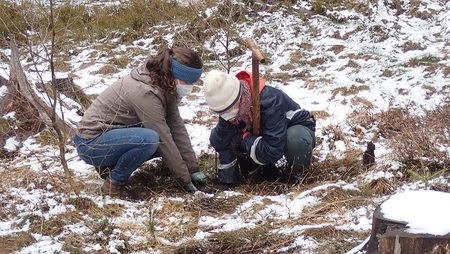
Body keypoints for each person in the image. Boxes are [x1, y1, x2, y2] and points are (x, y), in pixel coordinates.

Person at [73, 47, 209, 197]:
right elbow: (164, 139)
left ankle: (109, 166)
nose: (189, 87)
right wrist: (185, 180)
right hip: (91, 144)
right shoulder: (145, 91)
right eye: (187, 82)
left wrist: (193, 169)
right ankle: (114, 183)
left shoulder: (165, 87)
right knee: (150, 140)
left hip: (112, 136)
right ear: (174, 75)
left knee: (164, 141)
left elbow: (177, 128)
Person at [203, 70, 316, 186]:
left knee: (295, 139)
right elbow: (222, 141)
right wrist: (226, 181)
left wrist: (244, 139)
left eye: (229, 109)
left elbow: (273, 150)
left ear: (238, 98)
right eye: (221, 112)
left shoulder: (270, 102)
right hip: (266, 138)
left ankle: (298, 177)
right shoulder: (228, 112)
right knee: (218, 136)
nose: (227, 116)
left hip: (294, 129)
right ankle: (262, 173)